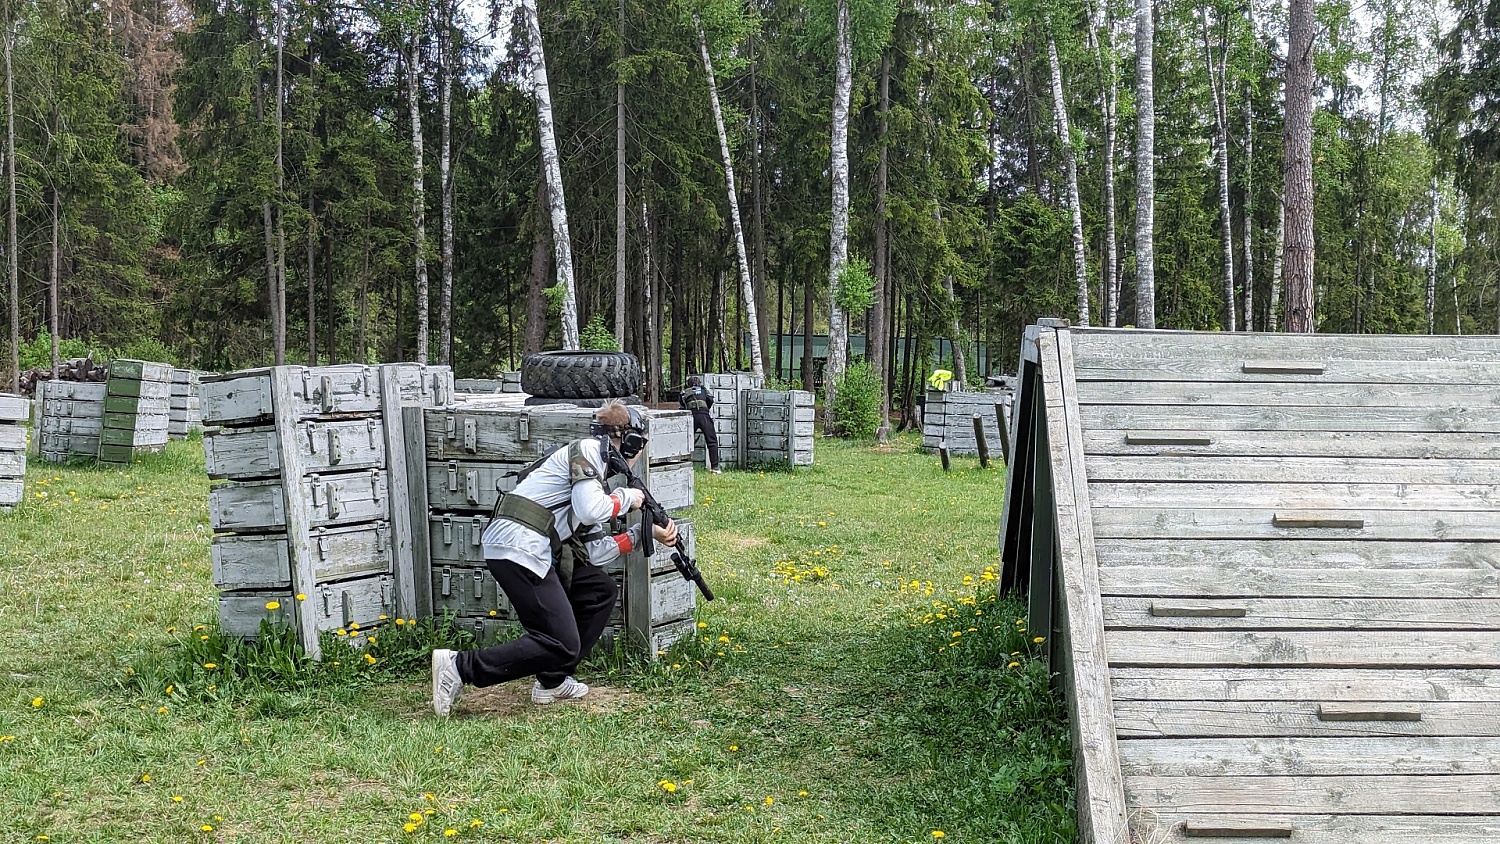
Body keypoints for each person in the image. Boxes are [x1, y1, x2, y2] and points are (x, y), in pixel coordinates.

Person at [430, 401, 677, 715]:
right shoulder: (587, 450)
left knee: (599, 590)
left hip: (532, 549)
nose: (639, 452)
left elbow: (593, 551)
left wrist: (642, 535)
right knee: (560, 642)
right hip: (519, 547)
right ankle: (459, 667)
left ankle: (552, 680)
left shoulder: (592, 478)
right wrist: (631, 498)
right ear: (629, 441)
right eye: (640, 444)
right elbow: (591, 509)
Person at [680, 375, 721, 473]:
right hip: (704, 415)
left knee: (685, 442)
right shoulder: (704, 390)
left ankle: (683, 464)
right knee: (712, 441)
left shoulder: (684, 392)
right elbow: (710, 399)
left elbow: (682, 405)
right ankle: (715, 467)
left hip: (691, 416)